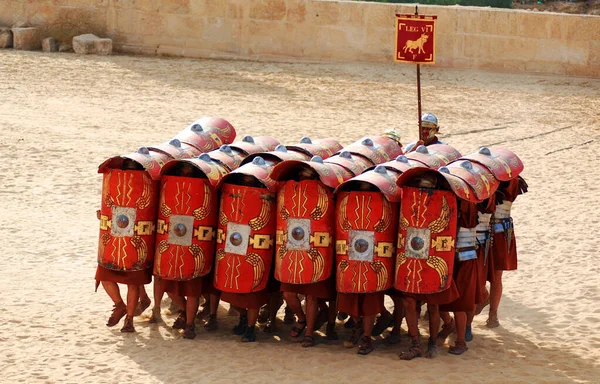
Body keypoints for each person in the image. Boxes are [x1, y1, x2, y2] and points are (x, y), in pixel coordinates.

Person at [95, 159, 153, 333]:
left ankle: (129, 320)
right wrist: (104, 216)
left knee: (133, 284)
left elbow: (145, 212)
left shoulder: (146, 185)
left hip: (135, 244)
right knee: (105, 278)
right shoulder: (115, 182)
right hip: (115, 242)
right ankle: (119, 305)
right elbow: (112, 205)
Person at [487, 176, 528, 328]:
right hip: (485, 231)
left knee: (496, 276)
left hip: (499, 232)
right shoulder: (486, 179)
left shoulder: (511, 181)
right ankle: (489, 310)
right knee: (480, 275)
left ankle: (493, 314)